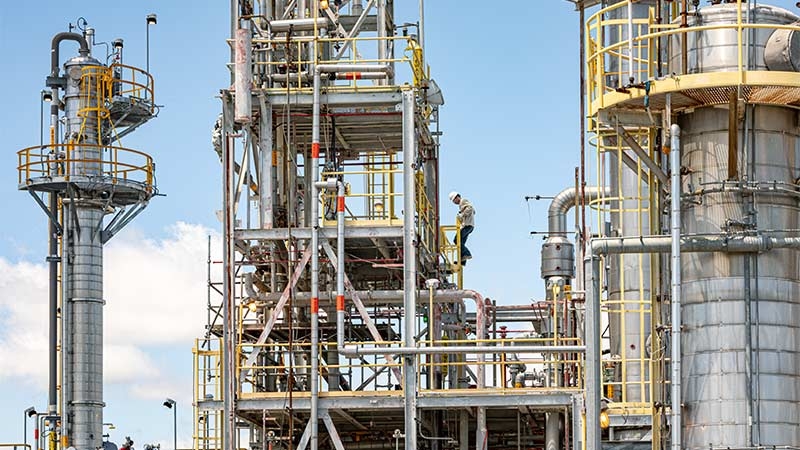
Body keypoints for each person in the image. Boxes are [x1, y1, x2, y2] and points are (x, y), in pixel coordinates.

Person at [449, 191, 475, 264]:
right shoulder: (461, 206)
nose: (454, 202)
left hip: (468, 225)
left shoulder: (463, 201)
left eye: (454, 200)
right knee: (461, 243)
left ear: (457, 197)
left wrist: (462, 214)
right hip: (468, 226)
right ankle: (462, 261)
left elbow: (470, 208)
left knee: (456, 240)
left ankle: (467, 254)